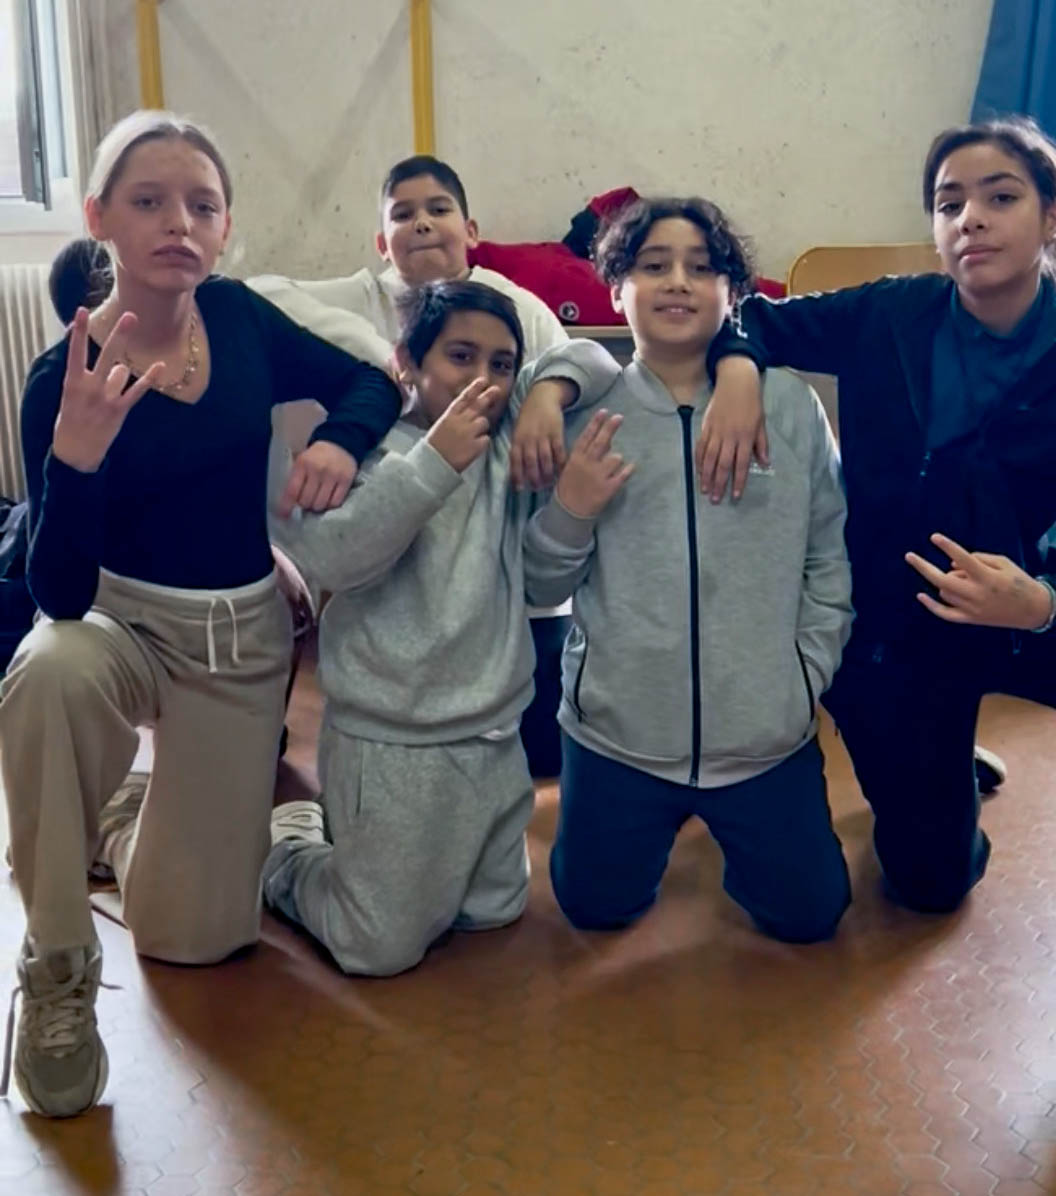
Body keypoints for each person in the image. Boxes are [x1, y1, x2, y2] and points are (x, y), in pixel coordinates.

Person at [699, 117, 1056, 1069]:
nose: (971, 220)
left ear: (1052, 217)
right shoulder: (893, 311)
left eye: (1000, 197)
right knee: (927, 885)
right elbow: (744, 313)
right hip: (893, 626)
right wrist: (741, 367)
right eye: (950, 204)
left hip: (1015, 613)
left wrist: (1043, 601)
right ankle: (948, 766)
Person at [0, 110, 400, 1118]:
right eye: (149, 201)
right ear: (99, 218)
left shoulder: (239, 318)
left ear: (224, 228)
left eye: (202, 205)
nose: (178, 222)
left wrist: (340, 442)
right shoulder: (60, 377)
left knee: (198, 936)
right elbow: (57, 596)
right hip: (117, 624)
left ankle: (121, 820)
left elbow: (369, 381)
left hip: (238, 635)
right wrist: (75, 461)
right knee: (49, 667)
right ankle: (55, 962)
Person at [262, 280, 619, 975]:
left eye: (502, 363)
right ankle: (291, 852)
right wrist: (435, 461)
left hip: (493, 738)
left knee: (492, 911)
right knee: (376, 948)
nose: (483, 378)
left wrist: (552, 425)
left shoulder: (509, 441)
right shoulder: (359, 446)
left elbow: (596, 361)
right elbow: (337, 559)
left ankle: (373, 860)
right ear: (406, 363)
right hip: (392, 741)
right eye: (460, 356)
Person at [522, 197, 853, 940]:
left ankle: (736, 839)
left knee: (809, 917)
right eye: (653, 265)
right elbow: (541, 586)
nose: (677, 282)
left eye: (702, 269)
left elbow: (828, 556)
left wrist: (805, 675)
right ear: (616, 290)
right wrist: (572, 509)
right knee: (595, 909)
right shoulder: (582, 414)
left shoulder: (789, 407)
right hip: (618, 737)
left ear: (732, 294)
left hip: (763, 736)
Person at [249, 155, 574, 778]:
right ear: (382, 242)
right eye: (403, 214)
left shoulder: (518, 308)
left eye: (438, 209)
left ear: (471, 231)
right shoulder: (364, 302)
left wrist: (548, 395)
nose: (422, 223)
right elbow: (257, 297)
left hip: (507, 612)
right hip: (390, 638)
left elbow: (582, 360)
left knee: (542, 754)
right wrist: (380, 383)